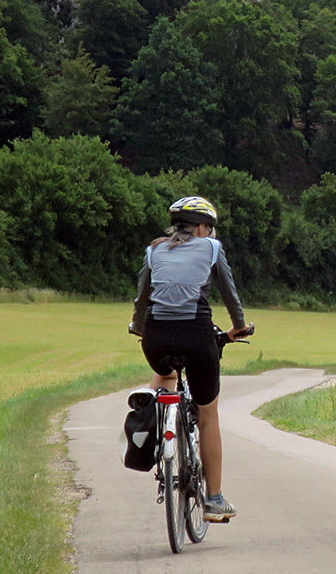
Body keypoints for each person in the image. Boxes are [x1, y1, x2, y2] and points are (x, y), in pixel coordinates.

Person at [130, 196, 249, 523]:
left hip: (155, 337)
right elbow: (230, 294)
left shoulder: (154, 250)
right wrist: (238, 327)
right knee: (208, 415)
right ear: (200, 226)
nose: (210, 233)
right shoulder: (211, 248)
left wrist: (138, 328)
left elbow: (142, 299)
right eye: (208, 227)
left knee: (166, 374)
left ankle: (152, 409)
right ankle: (213, 500)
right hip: (197, 335)